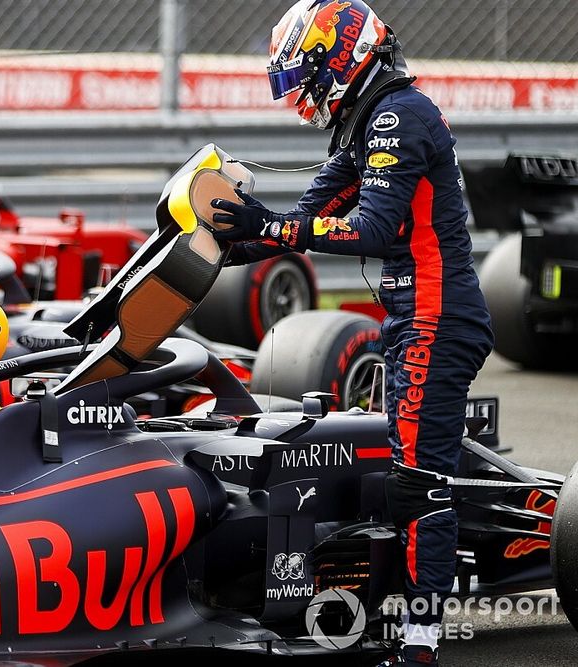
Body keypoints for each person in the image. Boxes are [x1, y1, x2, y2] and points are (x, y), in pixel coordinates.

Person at [209, 1, 493, 664]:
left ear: (337, 59)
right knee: (410, 476)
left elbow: (369, 228)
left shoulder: (400, 117)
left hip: (437, 317)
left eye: (304, 75)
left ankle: (420, 645)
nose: (301, 94)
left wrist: (270, 225)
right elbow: (299, 218)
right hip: (413, 316)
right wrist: (211, 241)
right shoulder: (363, 125)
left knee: (417, 486)